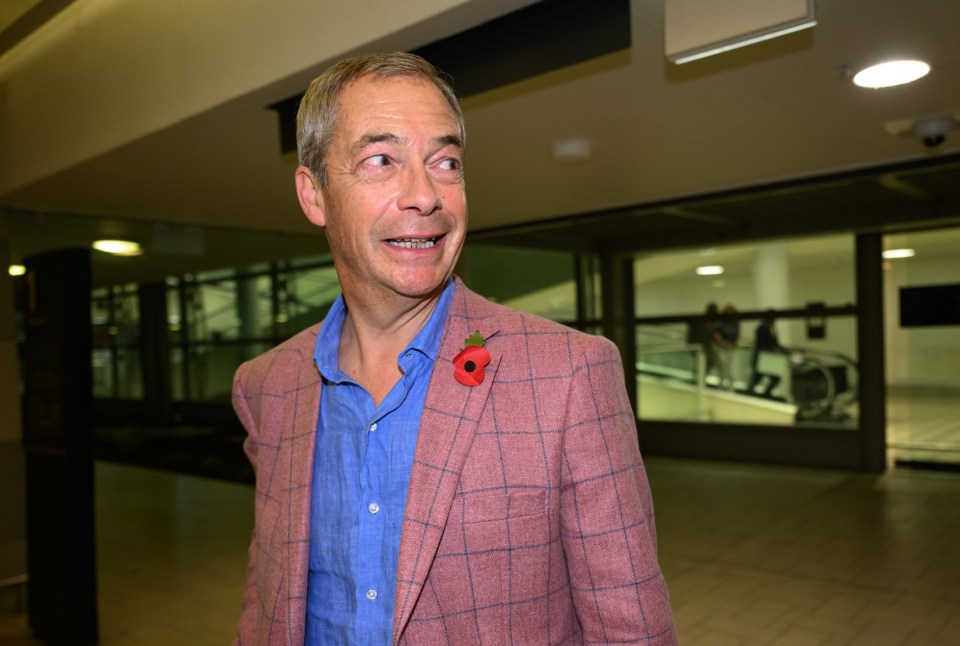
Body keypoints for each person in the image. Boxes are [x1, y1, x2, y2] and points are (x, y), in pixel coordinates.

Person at [231, 52, 676, 645]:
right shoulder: (267, 385)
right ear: (314, 195)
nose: (424, 195)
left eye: (445, 162)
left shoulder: (569, 376)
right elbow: (268, 593)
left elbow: (631, 631)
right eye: (381, 160)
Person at [748, 314, 787, 397]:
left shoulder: (772, 328)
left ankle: (764, 394)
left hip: (769, 358)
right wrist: (773, 349)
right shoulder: (762, 328)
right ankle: (751, 394)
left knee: (772, 378)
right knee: (758, 378)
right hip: (763, 357)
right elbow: (762, 343)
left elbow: (775, 343)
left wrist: (781, 349)